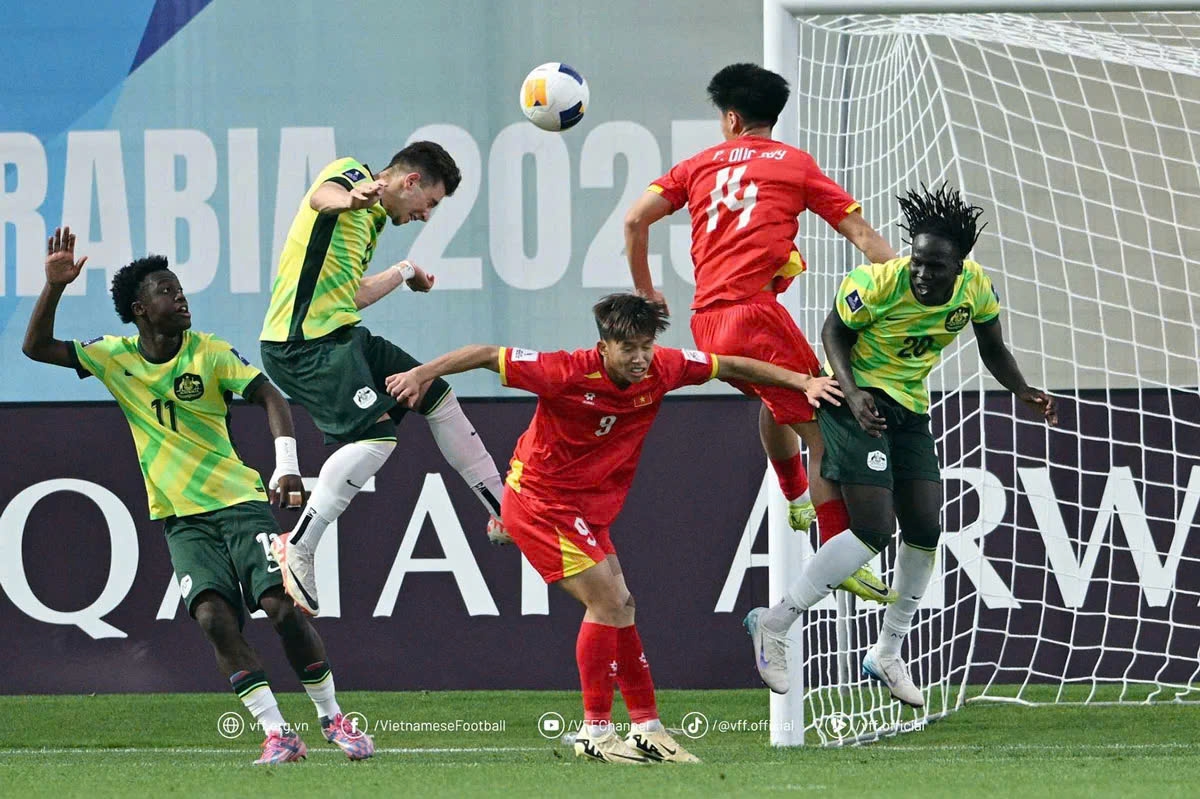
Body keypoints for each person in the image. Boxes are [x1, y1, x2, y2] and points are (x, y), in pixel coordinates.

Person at [384, 293, 843, 763]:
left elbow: (732, 366)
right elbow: (484, 354)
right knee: (607, 602)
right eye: (629, 348)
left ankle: (647, 728)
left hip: (587, 508)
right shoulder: (563, 370)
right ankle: (595, 732)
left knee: (622, 606)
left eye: (646, 345)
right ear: (603, 347)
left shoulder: (665, 367)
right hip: (540, 502)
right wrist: (421, 374)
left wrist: (801, 380)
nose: (641, 358)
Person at [22, 228, 374, 764]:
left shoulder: (208, 353)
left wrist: (285, 466)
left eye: (180, 288)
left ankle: (334, 720)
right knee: (212, 618)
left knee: (280, 607)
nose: (180, 296)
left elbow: (268, 395)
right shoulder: (113, 358)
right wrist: (53, 288)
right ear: (140, 309)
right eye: (167, 291)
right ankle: (279, 733)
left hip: (239, 502)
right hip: (182, 519)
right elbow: (35, 348)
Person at [744, 185, 1058, 705]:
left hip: (909, 408)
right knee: (872, 529)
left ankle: (887, 652)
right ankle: (775, 623)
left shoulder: (975, 288)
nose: (923, 272)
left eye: (936, 266)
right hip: (853, 401)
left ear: (959, 267)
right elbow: (833, 334)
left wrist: (1022, 389)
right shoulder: (879, 281)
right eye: (918, 260)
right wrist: (853, 391)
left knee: (926, 527)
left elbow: (993, 346)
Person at [624, 62, 900, 604]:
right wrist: (907, 290)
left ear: (730, 118)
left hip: (710, 321)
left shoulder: (697, 165)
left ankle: (795, 495)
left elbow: (635, 221)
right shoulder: (794, 165)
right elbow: (863, 236)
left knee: (780, 400)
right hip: (753, 317)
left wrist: (648, 293)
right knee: (828, 430)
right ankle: (836, 552)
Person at [259, 142, 508, 616]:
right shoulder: (353, 176)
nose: (426, 215)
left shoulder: (371, 222)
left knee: (434, 392)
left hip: (341, 334)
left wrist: (405, 270)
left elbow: (352, 295)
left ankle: (504, 511)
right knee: (377, 438)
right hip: (303, 344)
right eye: (429, 203)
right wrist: (350, 199)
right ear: (410, 181)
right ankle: (299, 545)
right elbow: (323, 197)